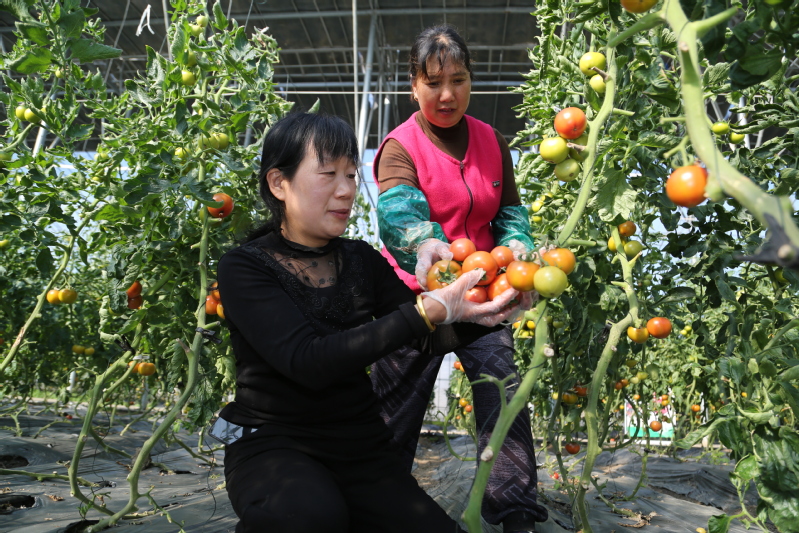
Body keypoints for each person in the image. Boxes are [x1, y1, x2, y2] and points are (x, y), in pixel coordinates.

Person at [215, 112, 523, 533]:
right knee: (308, 518)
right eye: (328, 175)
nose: (346, 191)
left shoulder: (360, 259)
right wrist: (425, 311)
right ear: (278, 183)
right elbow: (307, 361)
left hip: (360, 450)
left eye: (351, 175)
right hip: (274, 444)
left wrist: (485, 309)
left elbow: (430, 340)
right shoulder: (244, 267)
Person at [370, 25, 549, 533]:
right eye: (433, 83)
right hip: (415, 299)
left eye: (458, 80)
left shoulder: (492, 141)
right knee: (394, 411)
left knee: (502, 394)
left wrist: (518, 245)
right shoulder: (401, 146)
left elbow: (510, 211)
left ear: (472, 81)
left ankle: (514, 509)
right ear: (414, 86)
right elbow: (398, 213)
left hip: (483, 297)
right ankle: (375, 502)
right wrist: (424, 247)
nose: (447, 94)